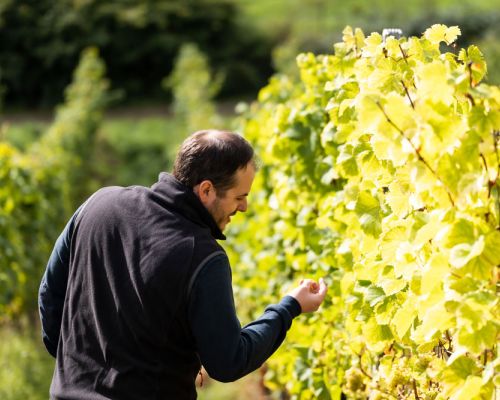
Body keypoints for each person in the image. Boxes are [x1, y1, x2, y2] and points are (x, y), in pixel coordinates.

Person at [38, 129, 328, 400]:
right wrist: (289, 308)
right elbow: (228, 361)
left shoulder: (98, 205)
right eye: (240, 197)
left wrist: (70, 360)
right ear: (206, 190)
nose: (244, 207)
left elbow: (50, 294)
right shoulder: (203, 257)